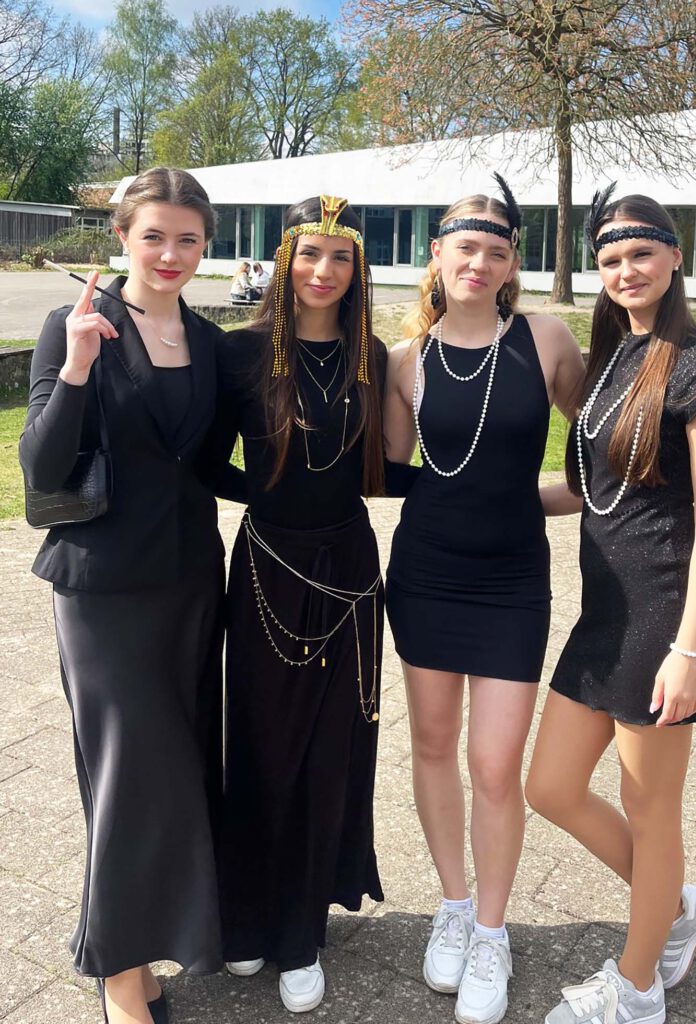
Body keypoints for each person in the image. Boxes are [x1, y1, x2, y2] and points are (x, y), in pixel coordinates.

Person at [18, 167, 231, 1024]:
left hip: (190, 583)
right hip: (104, 591)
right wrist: (76, 368)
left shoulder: (210, 340)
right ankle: (118, 979)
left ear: (206, 245)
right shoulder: (75, 325)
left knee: (175, 773)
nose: (170, 253)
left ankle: (137, 956)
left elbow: (209, 466)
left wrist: (321, 501)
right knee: (127, 777)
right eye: (154, 236)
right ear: (122, 238)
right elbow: (41, 467)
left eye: (188, 239)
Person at [525, 188, 696, 1024]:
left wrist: (690, 650)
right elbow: (593, 492)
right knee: (550, 787)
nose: (626, 271)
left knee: (653, 813)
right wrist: (493, 501)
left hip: (664, 619)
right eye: (610, 259)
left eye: (641, 254)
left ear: (675, 257)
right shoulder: (615, 359)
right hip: (604, 617)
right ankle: (678, 908)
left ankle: (638, 984)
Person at [202, 195, 411, 1014]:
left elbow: (380, 472)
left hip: (350, 573)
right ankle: (249, 913)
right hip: (268, 568)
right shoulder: (239, 352)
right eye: (310, 254)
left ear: (358, 268)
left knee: (330, 752)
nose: (324, 271)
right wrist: (269, 495)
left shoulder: (372, 356)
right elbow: (204, 464)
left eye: (341, 257)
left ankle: (301, 932)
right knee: (260, 742)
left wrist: (490, 488)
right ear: (284, 258)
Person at [383, 178, 585, 1024]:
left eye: (497, 252)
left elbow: (601, 437)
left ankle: (494, 934)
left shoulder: (545, 338)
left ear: (511, 267)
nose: (480, 262)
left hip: (511, 585)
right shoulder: (405, 360)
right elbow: (395, 474)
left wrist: (550, 498)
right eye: (465, 247)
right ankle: (455, 907)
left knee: (496, 766)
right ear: (438, 253)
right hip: (426, 574)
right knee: (433, 746)